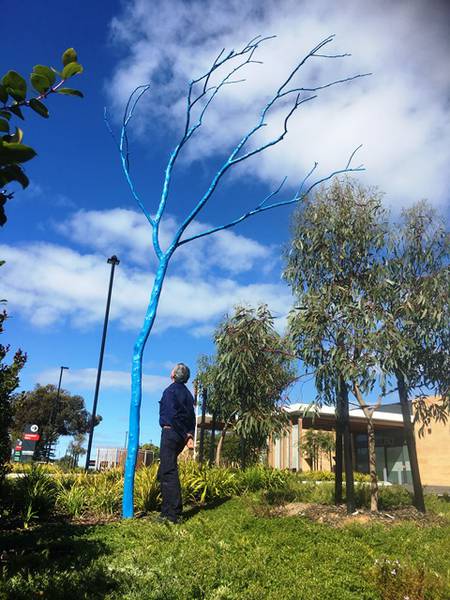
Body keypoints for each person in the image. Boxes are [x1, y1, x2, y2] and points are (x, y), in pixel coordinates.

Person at [157, 362, 195, 523]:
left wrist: (185, 435)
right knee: (165, 469)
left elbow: (172, 417)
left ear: (174, 375)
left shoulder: (169, 392)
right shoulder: (188, 395)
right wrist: (188, 436)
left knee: (168, 472)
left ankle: (172, 514)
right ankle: (167, 509)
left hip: (171, 432)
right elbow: (191, 418)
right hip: (180, 436)